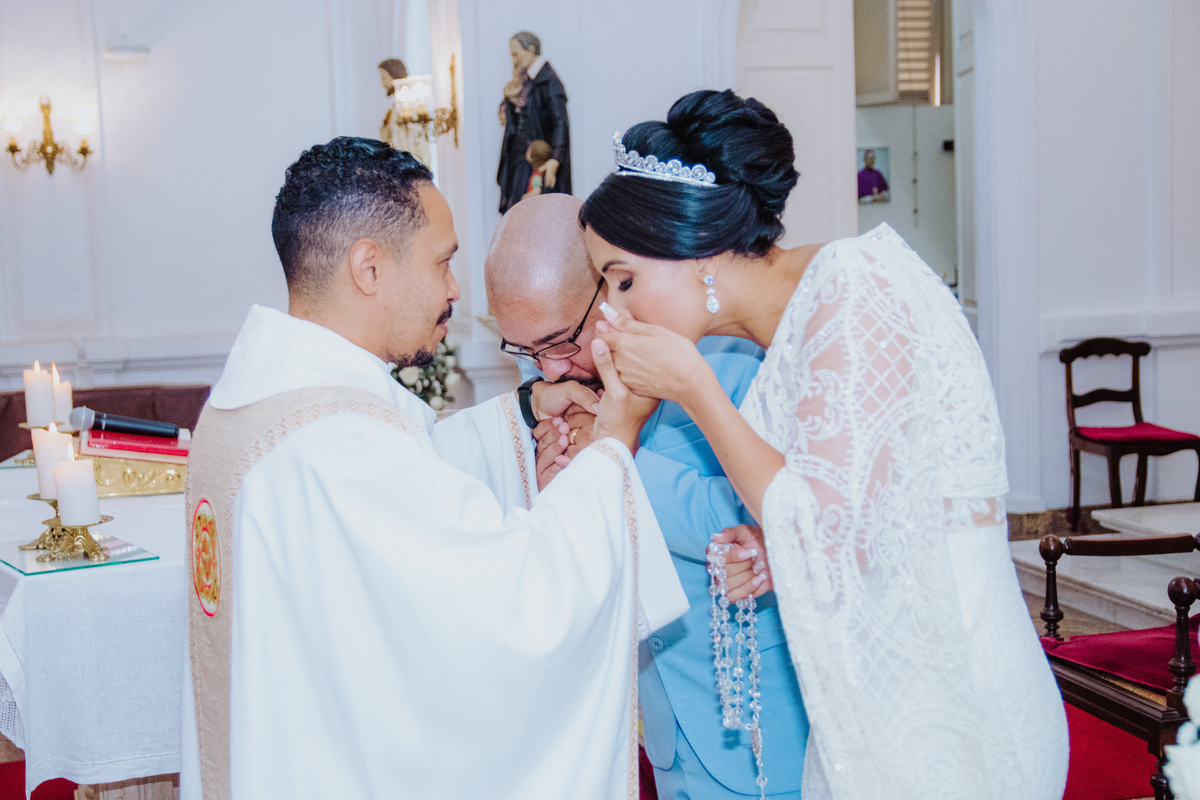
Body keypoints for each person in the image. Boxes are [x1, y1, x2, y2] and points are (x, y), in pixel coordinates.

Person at [579, 90, 1070, 799]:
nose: (612, 313)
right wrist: (771, 550)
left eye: (622, 280)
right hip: (866, 700)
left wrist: (696, 389)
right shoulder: (783, 339)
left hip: (952, 695)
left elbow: (823, 517)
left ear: (699, 251)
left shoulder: (853, 284)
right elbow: (867, 518)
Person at [180, 137, 688, 800]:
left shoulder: (261, 405)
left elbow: (412, 478)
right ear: (369, 268)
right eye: (442, 261)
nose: (453, 288)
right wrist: (613, 438)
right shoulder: (339, 443)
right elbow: (519, 606)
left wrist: (524, 412)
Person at [483, 194, 811, 800]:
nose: (550, 372)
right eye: (528, 354)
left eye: (558, 342)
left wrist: (616, 456)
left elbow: (772, 515)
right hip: (661, 726)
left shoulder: (726, 352)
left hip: (764, 712)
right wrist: (563, 496)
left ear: (609, 288)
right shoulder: (562, 399)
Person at [497, 31, 571, 213]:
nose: (514, 60)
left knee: (535, 212)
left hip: (537, 161)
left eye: (516, 54)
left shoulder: (549, 81)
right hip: (521, 160)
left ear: (530, 50)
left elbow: (560, 122)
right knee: (518, 212)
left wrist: (554, 159)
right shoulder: (527, 80)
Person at [377, 57, 433, 168]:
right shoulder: (395, 107)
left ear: (394, 75)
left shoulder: (409, 105)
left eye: (384, 78)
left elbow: (412, 139)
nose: (382, 84)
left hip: (409, 162)